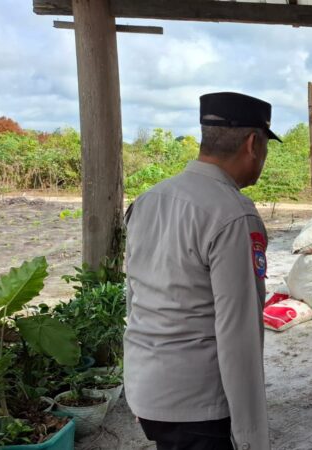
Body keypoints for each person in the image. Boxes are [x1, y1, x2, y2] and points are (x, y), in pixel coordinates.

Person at [124, 92, 281, 450]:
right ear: (253, 144)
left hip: (148, 391)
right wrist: (251, 437)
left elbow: (134, 299)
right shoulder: (233, 214)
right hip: (199, 407)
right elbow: (239, 334)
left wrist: (140, 389)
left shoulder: (149, 200)